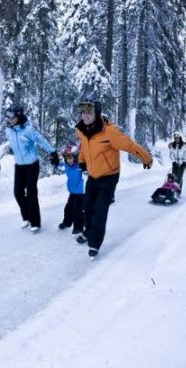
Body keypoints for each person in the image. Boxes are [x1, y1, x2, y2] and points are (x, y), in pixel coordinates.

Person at [75, 97, 153, 258]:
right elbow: (84, 145)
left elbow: (130, 145)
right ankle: (88, 232)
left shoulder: (110, 132)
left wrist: (146, 158)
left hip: (109, 177)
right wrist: (82, 161)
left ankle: (94, 243)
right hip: (93, 175)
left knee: (100, 210)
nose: (85, 115)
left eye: (89, 112)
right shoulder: (81, 130)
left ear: (96, 112)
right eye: (82, 112)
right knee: (88, 207)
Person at [4, 104, 59, 232]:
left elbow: (41, 140)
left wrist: (52, 152)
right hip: (19, 165)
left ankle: (35, 222)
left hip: (32, 165)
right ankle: (27, 217)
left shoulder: (28, 130)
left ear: (18, 116)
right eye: (8, 117)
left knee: (31, 193)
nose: (9, 119)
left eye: (12, 117)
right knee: (18, 192)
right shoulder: (9, 131)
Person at [57, 144, 85, 235]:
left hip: (81, 192)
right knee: (68, 208)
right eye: (67, 158)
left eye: (71, 157)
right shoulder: (66, 166)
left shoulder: (80, 166)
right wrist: (55, 162)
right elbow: (59, 167)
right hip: (73, 192)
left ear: (76, 157)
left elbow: (87, 171)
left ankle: (78, 228)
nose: (69, 160)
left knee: (77, 209)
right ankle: (67, 222)